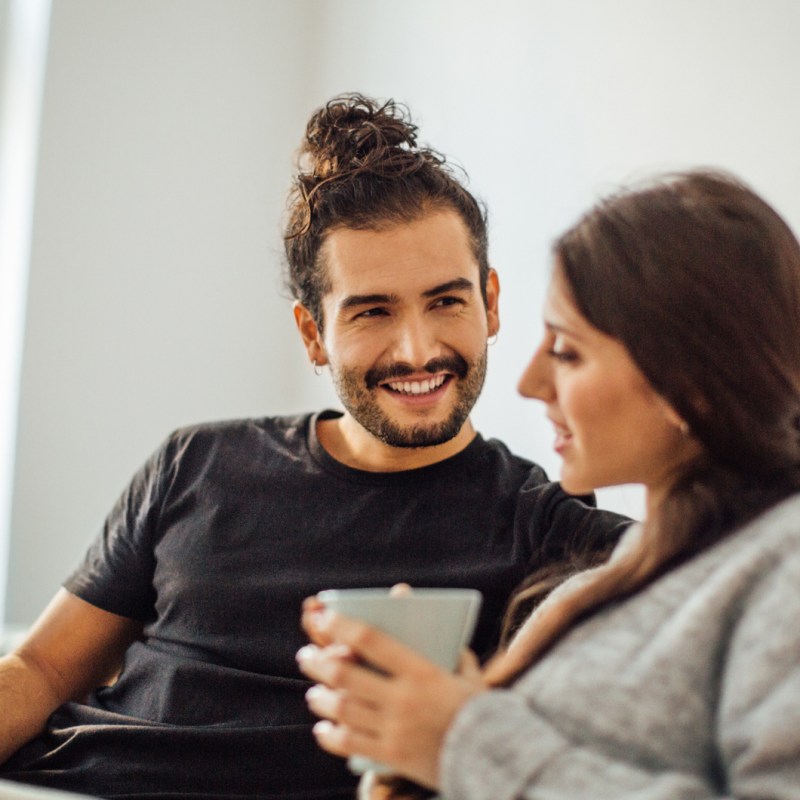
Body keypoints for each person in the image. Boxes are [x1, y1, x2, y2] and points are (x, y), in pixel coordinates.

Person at [0, 94, 628, 799]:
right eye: (372, 312)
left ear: (491, 303)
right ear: (312, 334)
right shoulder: (195, 463)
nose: (417, 350)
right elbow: (43, 671)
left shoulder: (553, 531)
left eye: (446, 301)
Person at [297, 168, 800, 799]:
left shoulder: (781, 567)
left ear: (689, 379)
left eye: (565, 350)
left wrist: (459, 740)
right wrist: (411, 755)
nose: (529, 382)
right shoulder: (595, 589)